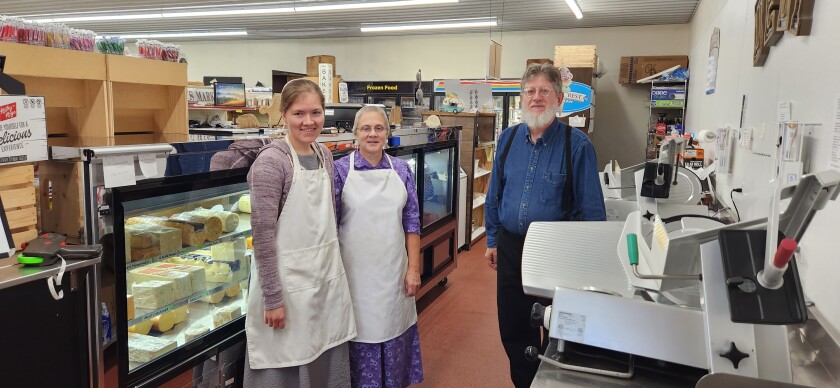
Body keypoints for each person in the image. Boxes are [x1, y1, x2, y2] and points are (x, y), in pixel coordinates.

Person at [484, 63, 607, 388]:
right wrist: (493, 240)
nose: (536, 97)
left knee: (561, 328)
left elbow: (593, 212)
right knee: (513, 326)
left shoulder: (576, 146)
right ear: (522, 97)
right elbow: (495, 194)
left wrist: (587, 266)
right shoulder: (508, 140)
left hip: (559, 253)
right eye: (530, 91)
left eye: (544, 91)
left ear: (559, 99)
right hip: (512, 249)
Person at [245, 78, 356, 388]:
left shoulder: (325, 155)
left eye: (316, 112)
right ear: (284, 115)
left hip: (324, 283)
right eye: (298, 113)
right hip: (287, 289)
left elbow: (328, 222)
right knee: (288, 366)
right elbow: (263, 237)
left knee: (323, 359)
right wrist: (272, 299)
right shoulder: (272, 163)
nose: (309, 121)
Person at [334, 105, 424, 387]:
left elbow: (412, 223)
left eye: (379, 128)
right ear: (355, 133)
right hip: (354, 277)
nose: (372, 134)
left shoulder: (401, 171)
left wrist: (413, 270)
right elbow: (330, 226)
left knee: (393, 326)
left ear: (387, 132)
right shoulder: (338, 171)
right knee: (359, 333)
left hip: (393, 272)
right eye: (366, 128)